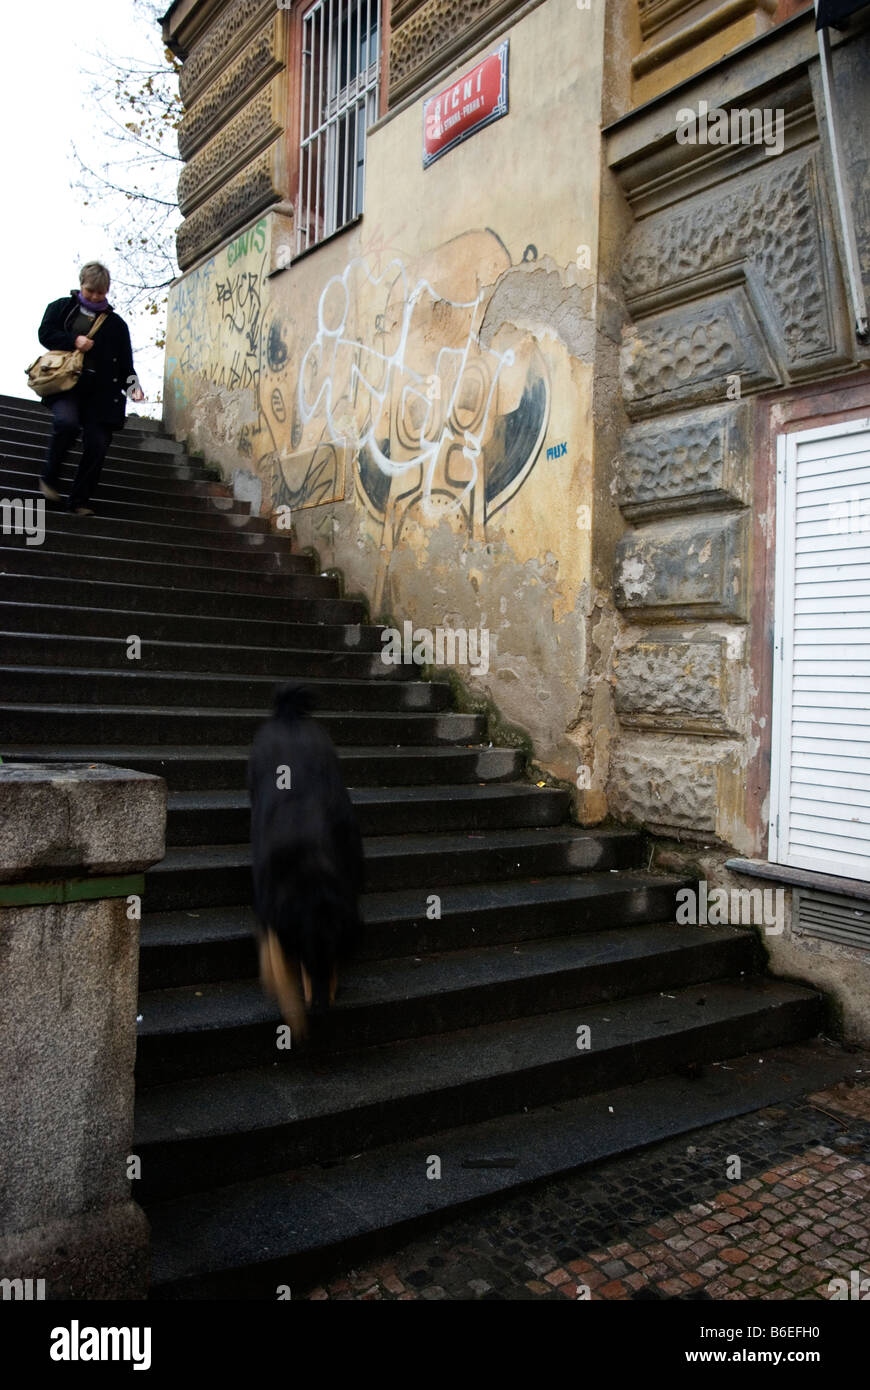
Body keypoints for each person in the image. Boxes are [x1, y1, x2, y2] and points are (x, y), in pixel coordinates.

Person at [37, 262, 145, 515]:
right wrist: (73, 340)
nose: (95, 296)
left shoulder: (116, 324)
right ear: (81, 285)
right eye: (90, 291)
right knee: (66, 423)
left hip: (102, 395)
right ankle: (50, 478)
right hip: (68, 386)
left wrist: (133, 389)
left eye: (100, 292)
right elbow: (45, 333)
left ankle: (80, 500)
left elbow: (125, 363)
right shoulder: (61, 308)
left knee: (97, 444)